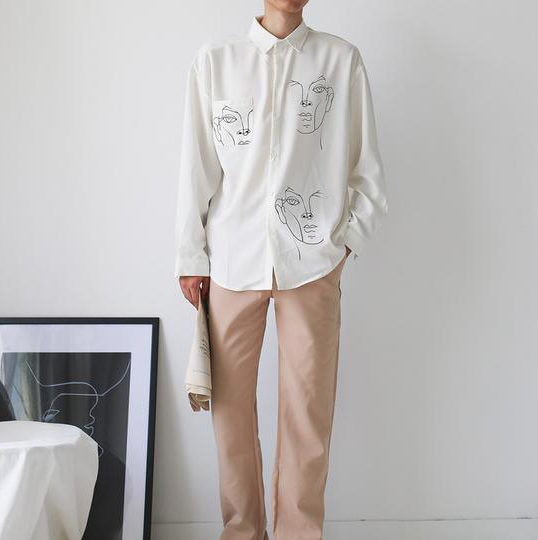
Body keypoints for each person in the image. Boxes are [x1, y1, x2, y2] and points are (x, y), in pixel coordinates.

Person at [174, 1, 388, 538]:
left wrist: (343, 246)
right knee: (230, 415)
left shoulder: (341, 61)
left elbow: (368, 173)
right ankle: (242, 531)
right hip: (230, 263)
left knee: (307, 416)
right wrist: (190, 256)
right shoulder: (215, 61)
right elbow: (196, 168)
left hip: (312, 266)